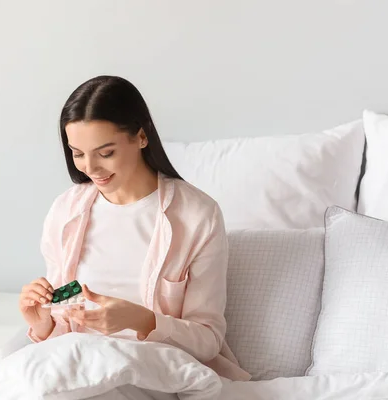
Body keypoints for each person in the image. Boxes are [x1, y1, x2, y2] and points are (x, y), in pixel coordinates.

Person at [18, 75, 251, 382]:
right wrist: (43, 324)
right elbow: (66, 326)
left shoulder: (197, 215)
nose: (90, 168)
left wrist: (143, 320)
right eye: (77, 153)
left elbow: (207, 340)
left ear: (141, 137)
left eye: (106, 153)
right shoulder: (66, 212)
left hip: (156, 373)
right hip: (79, 368)